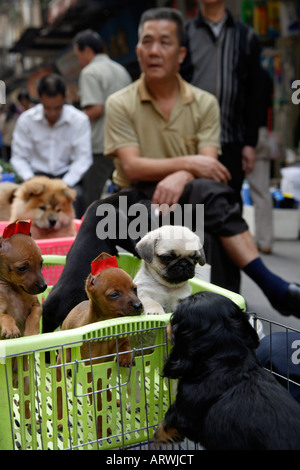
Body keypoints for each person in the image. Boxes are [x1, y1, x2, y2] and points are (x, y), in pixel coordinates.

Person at [42, 7, 300, 332]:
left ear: (181, 53)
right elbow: (133, 164)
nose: (153, 50)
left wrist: (184, 174)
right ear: (137, 50)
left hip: (189, 206)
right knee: (100, 211)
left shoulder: (204, 102)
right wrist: (189, 163)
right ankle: (61, 313)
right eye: (147, 41)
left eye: (164, 42)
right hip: (137, 209)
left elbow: (212, 165)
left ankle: (228, 320)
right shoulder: (120, 102)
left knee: (211, 196)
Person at [181, 0, 261, 204]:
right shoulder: (185, 33)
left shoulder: (245, 35)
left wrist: (250, 143)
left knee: (229, 207)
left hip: (231, 139)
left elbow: (254, 93)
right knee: (190, 207)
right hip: (189, 140)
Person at [11, 74, 93, 217]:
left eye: (57, 107)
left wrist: (63, 185)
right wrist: (32, 181)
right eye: (48, 108)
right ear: (40, 99)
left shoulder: (79, 120)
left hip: (66, 178)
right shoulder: (26, 120)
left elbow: (83, 159)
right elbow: (19, 158)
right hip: (35, 178)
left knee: (78, 198)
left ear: (65, 98)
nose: (53, 113)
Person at [73, 29, 132, 206]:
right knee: (123, 196)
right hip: (125, 144)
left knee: (94, 198)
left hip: (101, 146)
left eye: (78, 55)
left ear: (87, 51)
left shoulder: (90, 72)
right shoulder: (121, 70)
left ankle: (92, 232)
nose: (79, 61)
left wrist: (73, 120)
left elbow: (96, 109)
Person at [247, 66, 274, 254]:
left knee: (229, 190)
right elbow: (268, 109)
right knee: (262, 191)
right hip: (260, 132)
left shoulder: (240, 71)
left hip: (241, 132)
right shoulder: (265, 75)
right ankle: (265, 241)